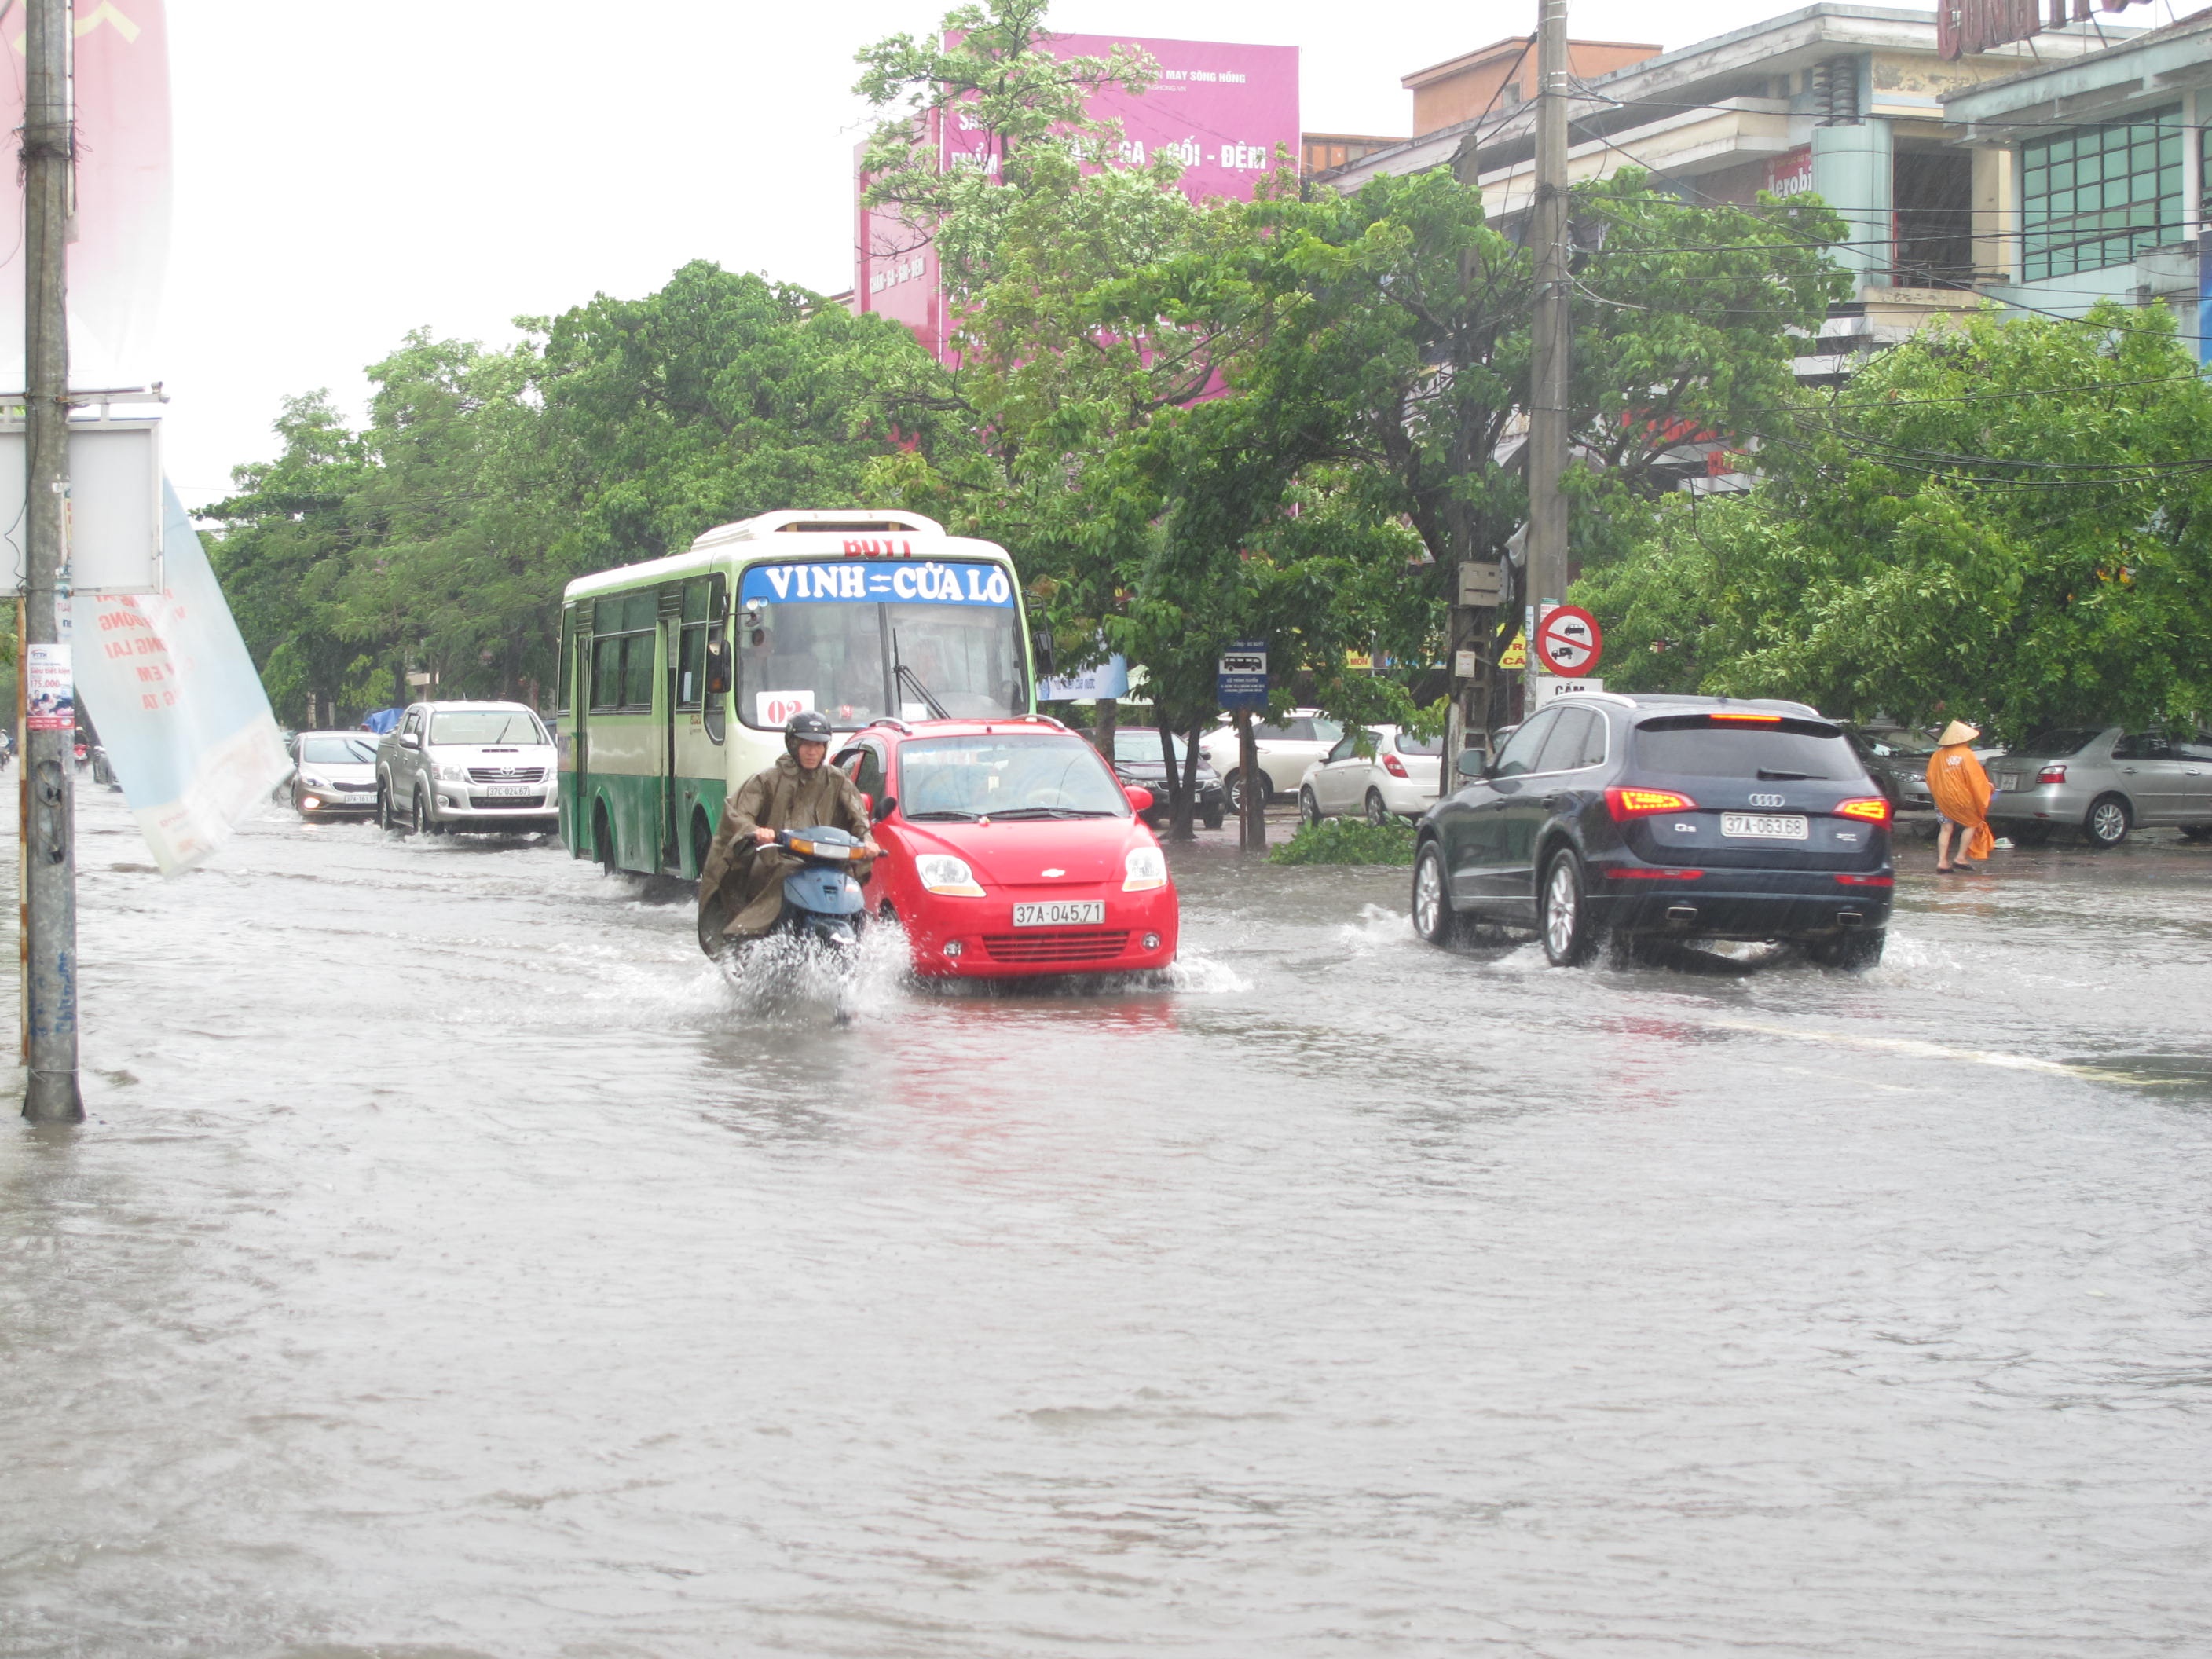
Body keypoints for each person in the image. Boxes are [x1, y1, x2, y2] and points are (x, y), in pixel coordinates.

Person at [698, 710, 881, 943]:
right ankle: (748, 937)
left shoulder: (837, 780)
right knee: (782, 876)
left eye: (818, 745)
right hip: (777, 860)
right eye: (805, 744)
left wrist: (868, 841)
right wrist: (756, 831)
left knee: (848, 883)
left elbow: (859, 818)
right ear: (793, 744)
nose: (812, 751)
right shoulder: (767, 780)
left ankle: (857, 937)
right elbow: (738, 814)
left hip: (830, 861)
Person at [1927, 718, 1994, 875]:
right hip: (1962, 798)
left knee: (1945, 828)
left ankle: (1942, 861)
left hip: (1942, 798)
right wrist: (1987, 787)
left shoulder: (1937, 755)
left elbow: (1930, 777)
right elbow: (1975, 779)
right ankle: (1960, 858)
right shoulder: (1966, 754)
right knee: (1972, 823)